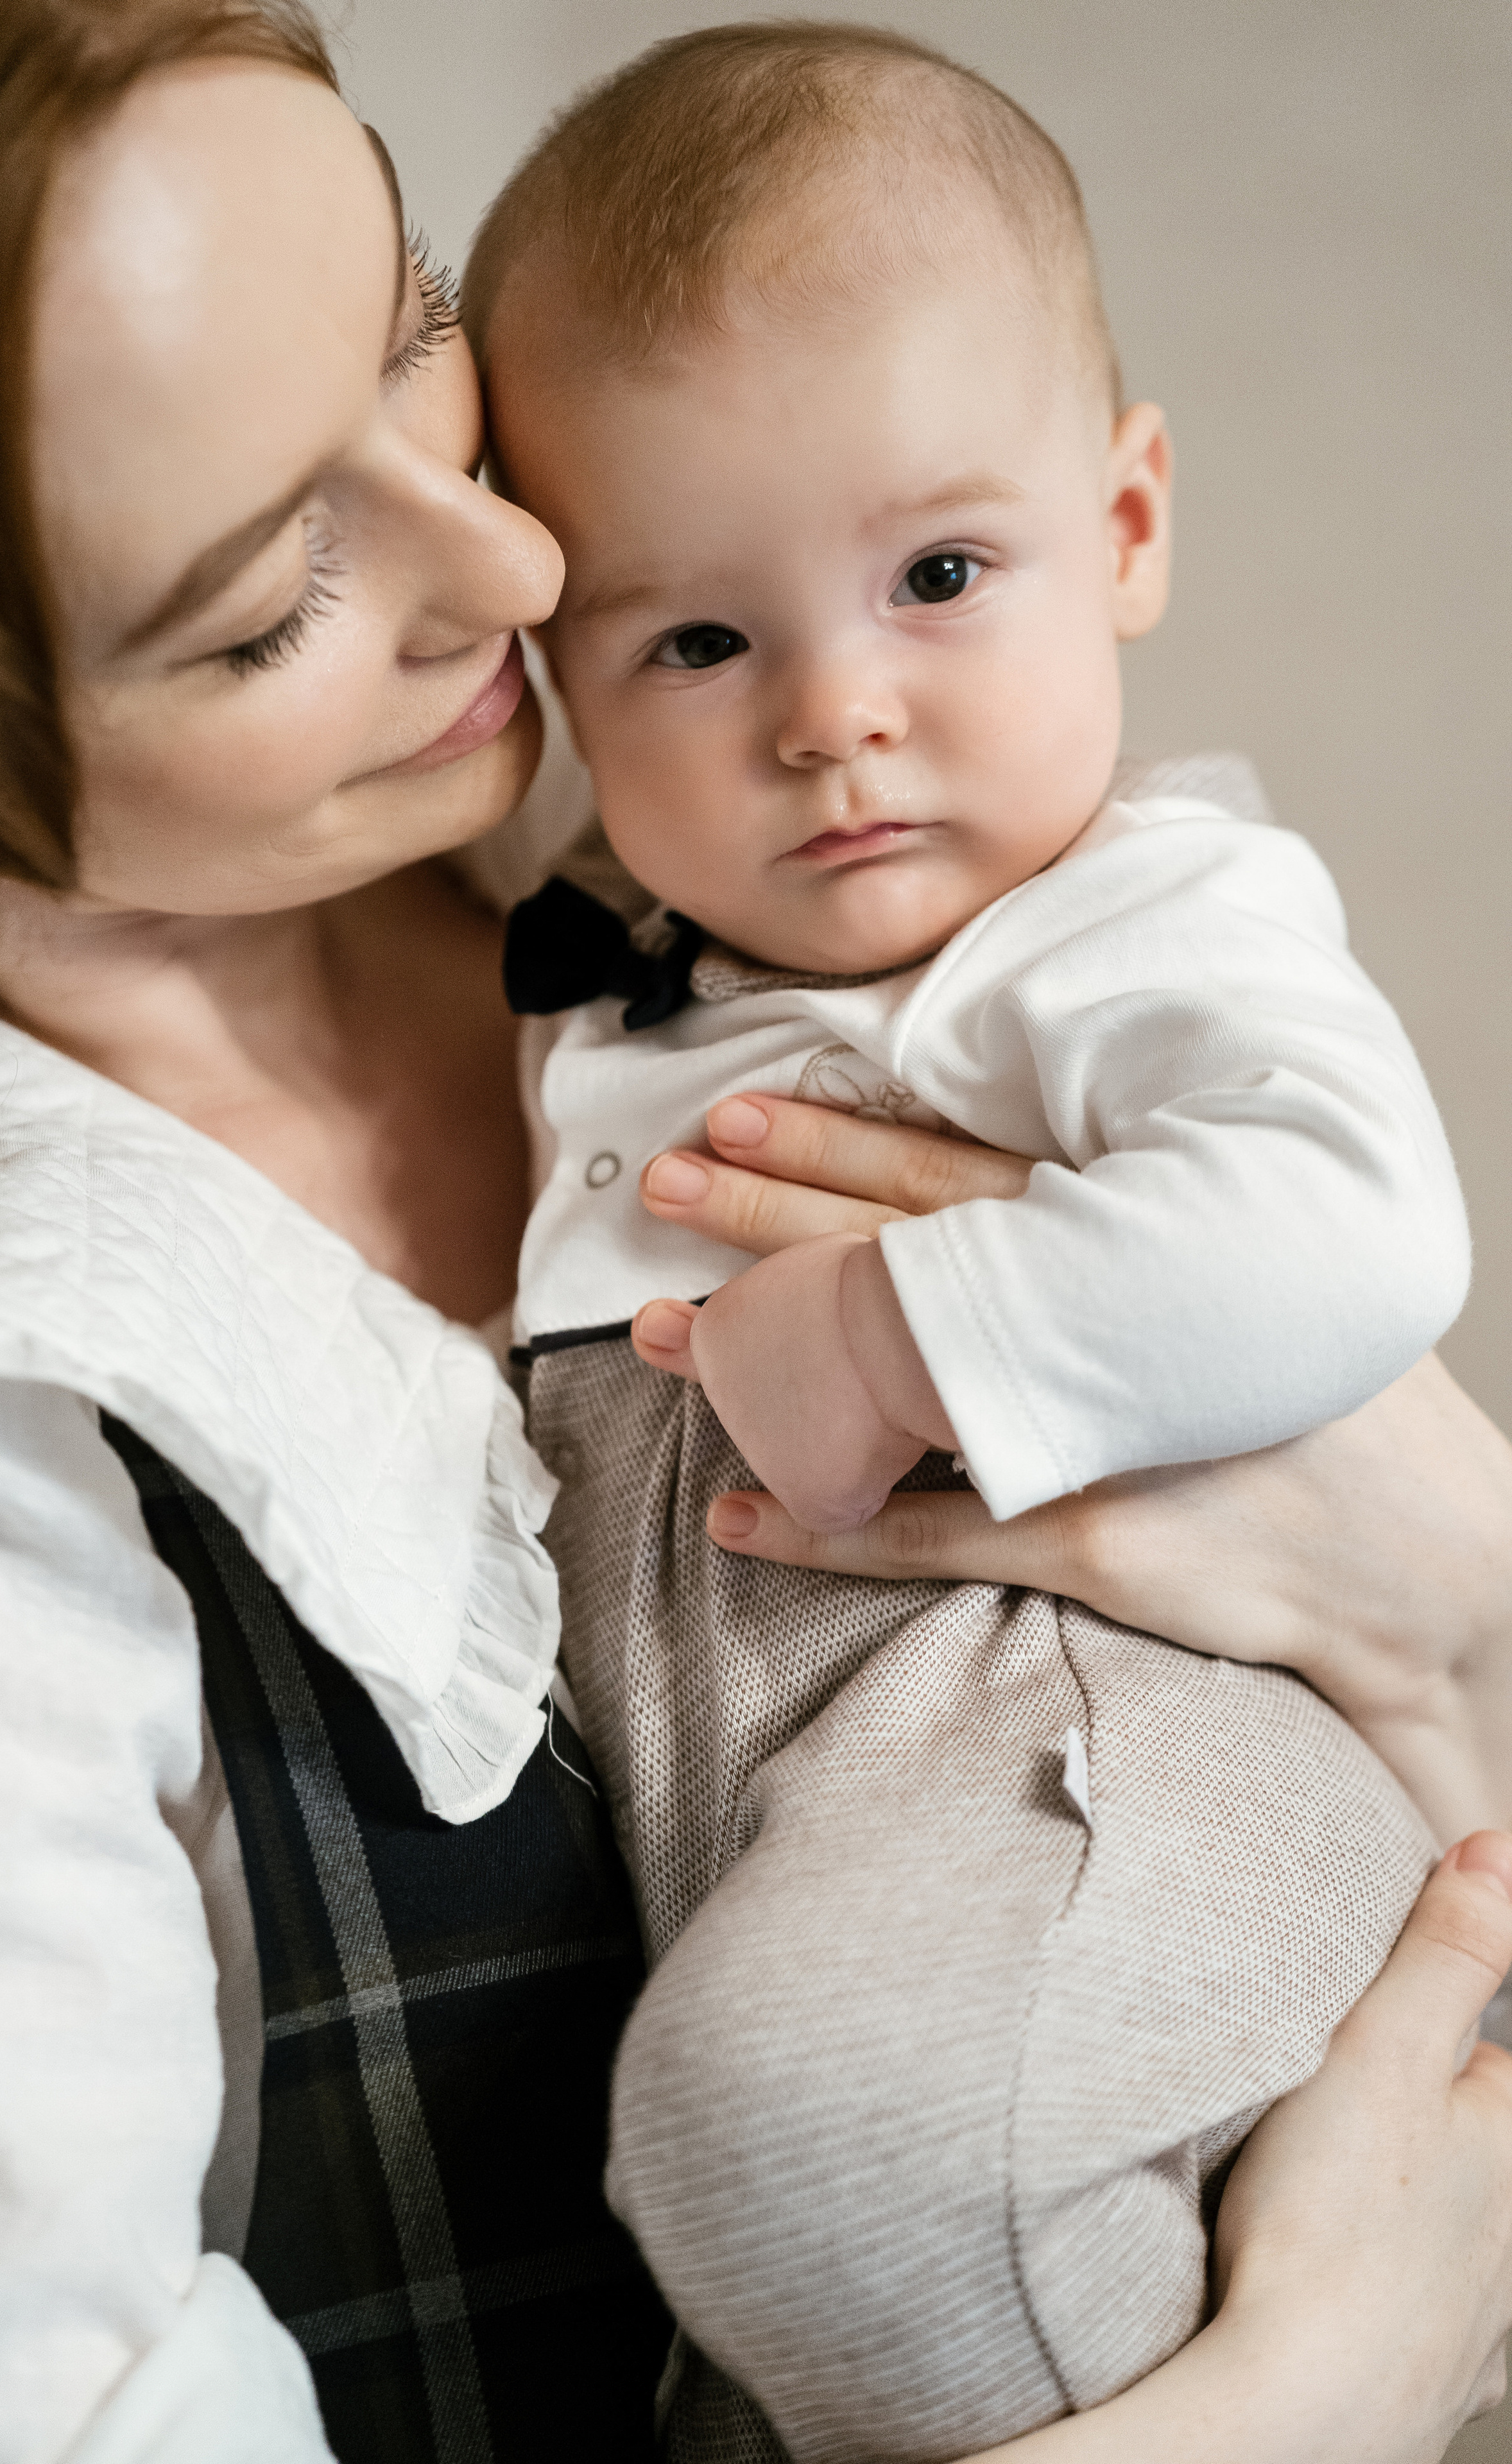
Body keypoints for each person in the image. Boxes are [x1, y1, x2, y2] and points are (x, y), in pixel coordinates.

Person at [0, 4, 1511, 2462]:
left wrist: (1458, 1599)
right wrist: (1303, 2403)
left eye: (407, 321)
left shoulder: (733, 909)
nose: (525, 561)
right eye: (256, 596)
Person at [459, 28, 1482, 2454]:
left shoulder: (1128, 925)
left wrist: (918, 1323)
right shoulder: (612, 950)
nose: (837, 716)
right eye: (694, 642)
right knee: (765, 2285)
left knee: (812, 2148)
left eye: (938, 575)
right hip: (832, 1812)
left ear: (1124, 529)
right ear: (550, 672)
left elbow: (1354, 1224)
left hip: (1109, 1746)